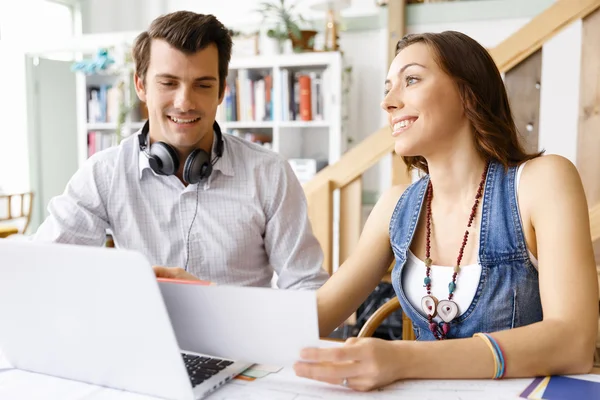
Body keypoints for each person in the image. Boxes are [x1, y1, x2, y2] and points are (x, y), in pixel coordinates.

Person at [291, 31, 599, 391]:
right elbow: (319, 312)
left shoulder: (542, 182)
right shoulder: (396, 206)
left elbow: (573, 342)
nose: (388, 102)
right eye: (388, 87)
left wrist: (402, 359)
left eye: (411, 79)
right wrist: (220, 321)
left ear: (468, 95)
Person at [32, 11, 328, 290]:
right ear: (141, 85)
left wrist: (211, 299)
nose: (184, 102)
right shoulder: (104, 173)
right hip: (143, 342)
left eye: (202, 85)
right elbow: (40, 268)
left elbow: (307, 289)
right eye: (168, 83)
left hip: (241, 345)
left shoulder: (269, 172)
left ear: (222, 90)